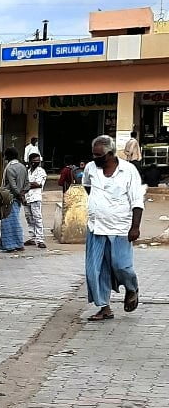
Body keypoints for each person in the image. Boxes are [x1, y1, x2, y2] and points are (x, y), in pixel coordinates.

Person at [84, 135, 142, 321]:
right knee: (95, 270)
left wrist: (135, 227)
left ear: (110, 154)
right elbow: (87, 186)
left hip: (121, 228)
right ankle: (104, 307)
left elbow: (137, 201)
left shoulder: (128, 170)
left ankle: (132, 288)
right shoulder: (90, 168)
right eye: (93, 155)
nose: (95, 159)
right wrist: (99, 204)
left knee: (121, 266)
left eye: (99, 155)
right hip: (96, 227)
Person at [0, 147, 28, 253]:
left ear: (7, 156)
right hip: (17, 199)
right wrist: (23, 194)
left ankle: (11, 245)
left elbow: (12, 185)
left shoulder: (10, 168)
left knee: (8, 223)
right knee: (15, 221)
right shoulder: (23, 167)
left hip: (9, 198)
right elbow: (27, 184)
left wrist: (19, 195)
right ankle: (17, 243)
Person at [23, 152, 47, 248]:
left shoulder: (41, 171)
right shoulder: (27, 171)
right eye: (34, 161)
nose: (36, 163)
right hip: (27, 197)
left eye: (38, 161)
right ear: (30, 162)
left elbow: (38, 184)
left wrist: (27, 185)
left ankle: (40, 239)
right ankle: (32, 237)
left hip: (35, 197)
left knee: (37, 218)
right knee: (29, 218)